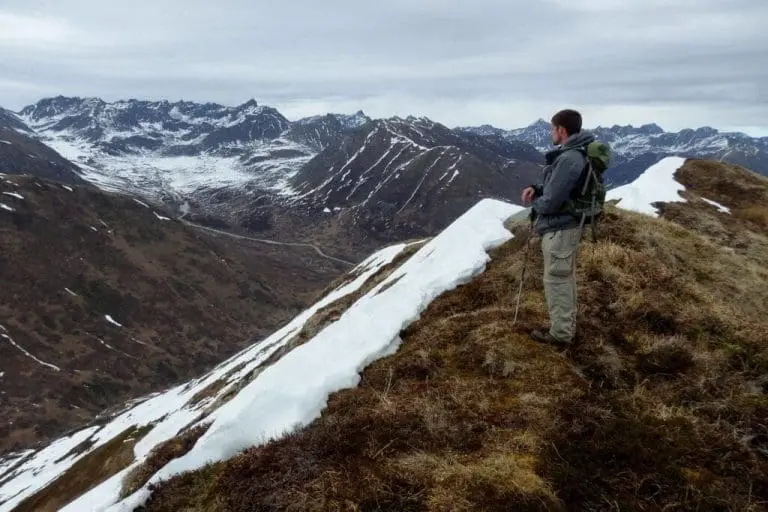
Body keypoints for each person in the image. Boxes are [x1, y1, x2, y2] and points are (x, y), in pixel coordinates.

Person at [521, 109, 595, 348]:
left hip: (561, 228)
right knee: (564, 277)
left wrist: (536, 203)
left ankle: (561, 335)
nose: (550, 133)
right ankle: (566, 326)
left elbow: (553, 201)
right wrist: (537, 187)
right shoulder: (573, 154)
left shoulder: (569, 158)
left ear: (561, 130)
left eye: (552, 128)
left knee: (557, 280)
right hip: (566, 226)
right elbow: (558, 187)